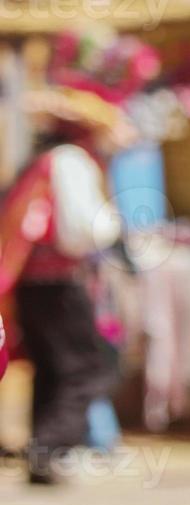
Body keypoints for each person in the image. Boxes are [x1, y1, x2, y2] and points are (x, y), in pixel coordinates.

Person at [0, 123, 122, 485]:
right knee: (83, 368)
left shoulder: (39, 166)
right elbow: (86, 228)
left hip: (30, 284)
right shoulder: (71, 162)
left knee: (52, 366)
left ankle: (43, 452)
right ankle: (50, 450)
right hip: (60, 285)